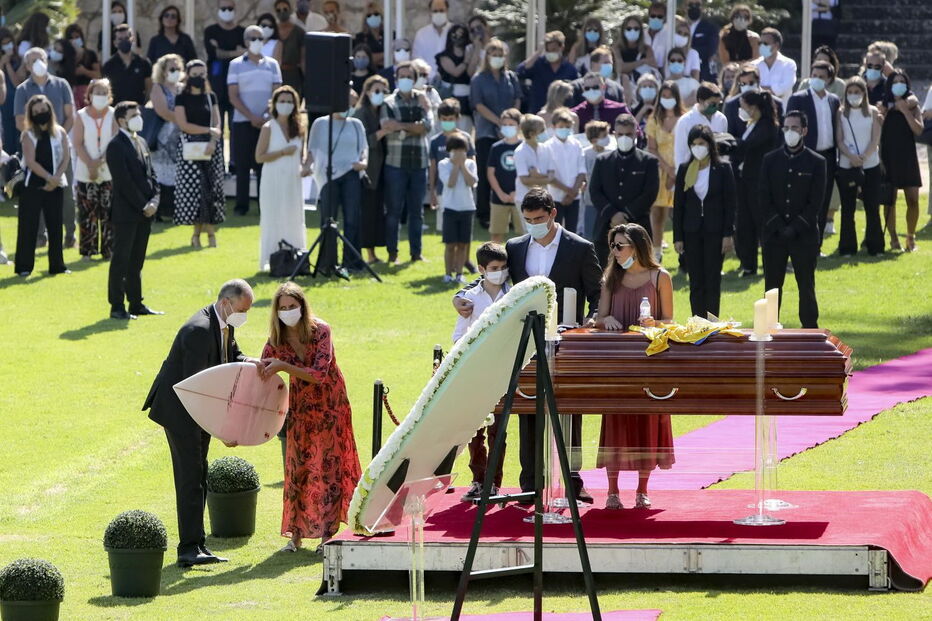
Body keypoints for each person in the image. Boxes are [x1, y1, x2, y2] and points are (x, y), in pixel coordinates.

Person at [143, 279, 264, 567]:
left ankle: (197, 544)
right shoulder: (198, 331)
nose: (243, 316)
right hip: (180, 411)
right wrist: (222, 430)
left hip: (196, 408)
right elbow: (197, 389)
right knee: (190, 479)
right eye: (242, 309)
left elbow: (230, 356)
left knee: (199, 475)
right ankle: (187, 548)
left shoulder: (224, 323)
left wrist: (254, 363)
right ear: (226, 303)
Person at [260, 282, 361, 553]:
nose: (288, 311)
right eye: (282, 308)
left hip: (331, 404)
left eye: (292, 307)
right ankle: (295, 536)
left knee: (328, 466)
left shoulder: (321, 331)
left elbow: (318, 374)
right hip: (302, 409)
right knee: (300, 466)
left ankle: (327, 534)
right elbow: (261, 369)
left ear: (302, 307)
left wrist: (284, 366)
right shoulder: (276, 339)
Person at [594, 223, 673, 509]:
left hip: (650, 360)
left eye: (620, 245)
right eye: (612, 246)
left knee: (647, 422)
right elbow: (598, 317)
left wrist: (654, 324)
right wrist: (605, 321)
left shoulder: (660, 276)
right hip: (618, 361)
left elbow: (670, 321)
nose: (614, 251)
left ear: (637, 246)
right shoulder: (611, 278)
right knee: (615, 421)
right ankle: (612, 491)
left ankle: (642, 490)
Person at [453, 242, 511, 500]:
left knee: (498, 429)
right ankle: (477, 478)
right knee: (474, 430)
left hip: (504, 370)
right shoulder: (471, 297)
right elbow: (458, 335)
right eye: (494, 268)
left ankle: (494, 482)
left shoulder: (513, 293)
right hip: (476, 370)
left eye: (503, 267)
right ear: (481, 269)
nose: (500, 272)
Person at [759, 111, 825, 328]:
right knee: (772, 286)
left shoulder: (817, 162)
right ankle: (769, 329)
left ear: (804, 130)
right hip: (774, 234)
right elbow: (763, 197)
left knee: (806, 284)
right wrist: (778, 225)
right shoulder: (770, 160)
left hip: (803, 235)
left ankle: (810, 332)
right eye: (786, 128)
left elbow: (815, 202)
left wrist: (796, 227)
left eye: (795, 128)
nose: (790, 132)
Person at [672, 124, 736, 319]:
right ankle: (697, 323)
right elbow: (678, 206)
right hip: (691, 232)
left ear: (710, 145)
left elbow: (730, 204)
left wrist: (728, 234)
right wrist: (678, 237)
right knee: (696, 282)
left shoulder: (723, 168)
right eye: (693, 144)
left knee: (712, 280)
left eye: (701, 143)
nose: (697, 147)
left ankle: (712, 323)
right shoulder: (684, 169)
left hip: (715, 232)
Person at [105, 100, 162, 320]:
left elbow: (152, 176)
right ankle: (117, 306)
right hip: (127, 213)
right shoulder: (115, 146)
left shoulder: (142, 142)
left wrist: (155, 200)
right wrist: (143, 205)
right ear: (121, 120)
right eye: (133, 115)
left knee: (136, 260)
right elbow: (124, 182)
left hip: (145, 212)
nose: (138, 118)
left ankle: (136, 303)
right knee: (121, 259)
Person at [14, 48, 76, 248]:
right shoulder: (22, 90)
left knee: (66, 194)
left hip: (60, 148)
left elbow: (70, 115)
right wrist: (38, 140)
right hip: (37, 150)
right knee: (37, 193)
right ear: (27, 66)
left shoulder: (61, 84)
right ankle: (41, 235)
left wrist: (59, 138)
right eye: (32, 60)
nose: (38, 62)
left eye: (40, 58)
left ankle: (70, 234)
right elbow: (19, 121)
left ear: (46, 60)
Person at [308, 89, 368, 271]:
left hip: (351, 173)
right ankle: (328, 262)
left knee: (352, 218)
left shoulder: (356, 124)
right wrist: (305, 168)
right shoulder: (320, 123)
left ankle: (352, 262)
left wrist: (363, 163)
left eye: (352, 103)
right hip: (328, 176)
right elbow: (312, 151)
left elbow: (364, 149)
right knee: (328, 219)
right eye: (346, 103)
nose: (348, 107)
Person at [589, 113, 660, 267]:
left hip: (638, 227)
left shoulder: (649, 161)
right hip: (605, 228)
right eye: (620, 134)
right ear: (614, 134)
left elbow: (650, 193)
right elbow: (594, 191)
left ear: (636, 134)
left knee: (639, 273)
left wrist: (626, 214)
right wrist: (612, 214)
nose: (624, 138)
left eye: (628, 134)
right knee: (605, 277)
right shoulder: (602, 160)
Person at [381, 61, 432, 264]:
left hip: (419, 163)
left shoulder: (423, 100)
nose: (405, 80)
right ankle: (392, 253)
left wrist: (401, 126)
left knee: (416, 212)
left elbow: (427, 126)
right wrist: (414, 126)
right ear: (396, 79)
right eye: (402, 76)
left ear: (415, 79)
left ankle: (416, 253)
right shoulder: (389, 102)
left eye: (409, 76)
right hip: (395, 164)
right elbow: (387, 125)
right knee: (393, 211)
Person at [228, 25, 283, 215]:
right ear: (245, 42)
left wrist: (266, 115)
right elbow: (233, 95)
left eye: (260, 38)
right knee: (243, 165)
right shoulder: (235, 64)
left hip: (267, 122)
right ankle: (241, 206)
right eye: (253, 38)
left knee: (263, 165)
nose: (257, 42)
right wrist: (252, 116)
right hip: (243, 121)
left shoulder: (272, 64)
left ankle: (264, 205)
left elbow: (277, 91)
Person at [15, 95, 70, 278]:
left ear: (50, 110)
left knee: (55, 226)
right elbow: (30, 161)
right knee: (28, 226)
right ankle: (24, 266)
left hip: (56, 184)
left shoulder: (60, 131)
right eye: (36, 112)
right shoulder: (27, 134)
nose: (41, 114)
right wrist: (48, 177)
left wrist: (56, 178)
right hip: (33, 186)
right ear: (31, 114)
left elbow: (66, 157)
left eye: (43, 110)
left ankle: (57, 265)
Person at [470, 38, 522, 229]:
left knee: (509, 173)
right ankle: (485, 214)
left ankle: (510, 214)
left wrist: (512, 120)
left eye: (501, 55)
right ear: (487, 56)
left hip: (510, 132)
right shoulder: (478, 79)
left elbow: (517, 99)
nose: (498, 58)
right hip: (486, 132)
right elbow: (478, 104)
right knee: (487, 174)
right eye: (494, 55)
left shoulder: (511, 77)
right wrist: (500, 122)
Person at [787, 61, 840, 244]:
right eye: (814, 75)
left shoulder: (833, 99)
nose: (816, 79)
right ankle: (799, 240)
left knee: (823, 199)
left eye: (821, 77)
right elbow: (789, 128)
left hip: (828, 156)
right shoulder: (799, 98)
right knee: (802, 199)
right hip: (806, 155)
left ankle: (816, 245)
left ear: (829, 79)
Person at [174, 59, 225, 248]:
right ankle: (197, 235)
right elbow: (183, 125)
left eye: (202, 74)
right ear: (188, 76)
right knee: (195, 192)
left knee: (211, 191)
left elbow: (217, 123)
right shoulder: (182, 97)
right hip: (191, 149)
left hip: (211, 148)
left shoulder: (211, 96)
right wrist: (207, 131)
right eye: (195, 75)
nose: (199, 78)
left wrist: (212, 139)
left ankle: (210, 235)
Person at [256, 85, 308, 272]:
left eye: (289, 101)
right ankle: (272, 260)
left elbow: (302, 155)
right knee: (273, 217)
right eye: (282, 101)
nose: (285, 105)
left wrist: (306, 166)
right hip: (273, 177)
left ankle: (296, 258)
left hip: (293, 179)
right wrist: (282, 152)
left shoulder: (300, 127)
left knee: (293, 215)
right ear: (275, 104)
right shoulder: (268, 127)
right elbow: (259, 156)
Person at [732, 89, 781, 277]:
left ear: (753, 107)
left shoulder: (768, 126)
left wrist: (732, 142)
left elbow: (750, 146)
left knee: (761, 223)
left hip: (758, 183)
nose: (742, 110)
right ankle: (748, 264)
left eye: (744, 106)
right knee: (745, 224)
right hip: (745, 181)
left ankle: (770, 263)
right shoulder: (751, 125)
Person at [835, 77, 884, 257]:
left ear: (864, 94)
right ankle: (847, 247)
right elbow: (840, 140)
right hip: (847, 165)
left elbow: (875, 139)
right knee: (848, 208)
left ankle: (875, 246)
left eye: (857, 92)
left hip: (870, 164)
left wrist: (864, 156)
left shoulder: (872, 112)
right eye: (850, 92)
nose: (853, 96)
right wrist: (852, 157)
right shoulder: (841, 113)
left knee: (872, 206)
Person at [73, 79, 118, 261]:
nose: (100, 96)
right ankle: (88, 250)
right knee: (87, 213)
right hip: (85, 170)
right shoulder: (81, 115)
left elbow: (115, 142)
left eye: (103, 92)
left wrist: (99, 163)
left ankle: (109, 250)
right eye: (96, 92)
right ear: (90, 95)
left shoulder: (114, 115)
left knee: (108, 213)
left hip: (108, 170)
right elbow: (77, 143)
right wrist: (90, 165)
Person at [879, 70, 923, 253]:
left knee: (913, 199)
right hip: (889, 156)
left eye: (902, 81)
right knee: (890, 201)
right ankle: (893, 237)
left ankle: (910, 237)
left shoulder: (913, 105)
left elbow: (918, 130)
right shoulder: (882, 106)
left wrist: (905, 110)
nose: (898, 84)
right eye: (895, 81)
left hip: (908, 156)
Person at [645, 81, 684, 261]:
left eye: (670, 96)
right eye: (664, 96)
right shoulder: (654, 119)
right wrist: (668, 169)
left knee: (681, 213)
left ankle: (685, 253)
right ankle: (657, 252)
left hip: (682, 169)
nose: (667, 99)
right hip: (660, 170)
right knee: (658, 213)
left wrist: (676, 171)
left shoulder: (685, 117)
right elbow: (652, 148)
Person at [354, 75, 390, 264]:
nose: (380, 94)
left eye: (384, 91)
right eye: (376, 90)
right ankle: (366, 254)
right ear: (367, 92)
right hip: (368, 171)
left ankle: (374, 253)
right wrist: (382, 132)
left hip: (383, 170)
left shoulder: (385, 111)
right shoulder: (361, 113)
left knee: (377, 213)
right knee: (366, 213)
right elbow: (361, 142)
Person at [149, 54, 185, 222]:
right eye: (172, 69)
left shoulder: (183, 88)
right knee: (160, 174)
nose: (175, 72)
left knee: (178, 174)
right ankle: (159, 211)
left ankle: (175, 211)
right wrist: (185, 121)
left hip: (182, 137)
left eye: (178, 68)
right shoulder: (158, 88)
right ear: (163, 71)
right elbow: (162, 111)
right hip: (163, 137)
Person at [438, 134, 478, 282]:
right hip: (450, 208)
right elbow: (450, 183)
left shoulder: (471, 164)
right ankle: (448, 274)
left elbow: (472, 182)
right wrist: (456, 165)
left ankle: (459, 274)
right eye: (456, 150)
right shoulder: (443, 164)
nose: (460, 154)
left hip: (467, 208)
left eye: (462, 150)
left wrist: (463, 165)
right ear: (450, 150)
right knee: (450, 244)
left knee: (462, 244)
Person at [204, 0, 245, 141]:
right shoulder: (210, 31)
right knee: (217, 128)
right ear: (218, 9)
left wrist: (224, 51)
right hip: (217, 86)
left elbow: (245, 53)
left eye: (230, 8)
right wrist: (236, 52)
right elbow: (215, 53)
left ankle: (234, 162)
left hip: (237, 87)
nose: (227, 11)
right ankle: (218, 161)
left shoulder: (242, 32)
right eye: (223, 8)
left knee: (235, 129)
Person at [429, 98, 475, 216]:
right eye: (444, 119)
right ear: (439, 119)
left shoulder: (466, 138)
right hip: (442, 190)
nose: (447, 122)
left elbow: (472, 163)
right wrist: (432, 192)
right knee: (445, 227)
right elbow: (433, 169)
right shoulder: (435, 141)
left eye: (451, 119)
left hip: (463, 190)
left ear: (457, 118)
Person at [517, 31, 578, 116]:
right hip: (537, 113)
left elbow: (575, 93)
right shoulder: (538, 64)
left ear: (562, 47)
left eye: (554, 50)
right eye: (548, 50)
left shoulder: (570, 69)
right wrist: (538, 52)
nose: (551, 53)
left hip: (561, 116)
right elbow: (520, 72)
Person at [545, 107, 587, 234]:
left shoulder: (576, 144)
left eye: (567, 126)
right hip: (555, 196)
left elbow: (581, 171)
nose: (565, 129)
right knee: (553, 230)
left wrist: (573, 192)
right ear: (553, 126)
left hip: (575, 196)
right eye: (561, 126)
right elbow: (549, 175)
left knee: (571, 231)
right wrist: (568, 191)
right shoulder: (547, 146)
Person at [487, 108, 523, 243]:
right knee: (496, 235)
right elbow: (491, 173)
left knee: (523, 235)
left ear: (519, 126)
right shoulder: (496, 147)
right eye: (505, 124)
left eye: (511, 124)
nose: (508, 127)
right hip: (498, 198)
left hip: (520, 197)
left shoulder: (524, 147)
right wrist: (500, 193)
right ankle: (496, 263)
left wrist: (517, 192)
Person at [673, 82, 726, 169]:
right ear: (701, 100)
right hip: (692, 172)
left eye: (719, 104)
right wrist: (681, 176)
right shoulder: (685, 121)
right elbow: (680, 153)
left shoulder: (721, 119)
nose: (716, 107)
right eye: (712, 104)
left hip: (715, 171)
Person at [436, 23, 473, 132]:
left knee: (465, 130)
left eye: (461, 35)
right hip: (449, 95)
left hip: (466, 98)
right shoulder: (444, 56)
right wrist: (466, 61)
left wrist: (476, 47)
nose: (458, 38)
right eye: (454, 35)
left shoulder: (469, 52)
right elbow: (455, 72)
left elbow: (471, 71)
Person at [103, 25, 152, 106]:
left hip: (139, 110)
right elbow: (106, 91)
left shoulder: (144, 63)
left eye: (126, 38)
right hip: (116, 111)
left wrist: (145, 106)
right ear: (115, 43)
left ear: (132, 39)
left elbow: (149, 88)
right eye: (120, 39)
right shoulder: (108, 66)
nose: (124, 41)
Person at [513, 114, 553, 211]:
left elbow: (552, 174)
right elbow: (525, 180)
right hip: (525, 200)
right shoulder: (520, 152)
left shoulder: (546, 148)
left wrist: (537, 176)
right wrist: (545, 178)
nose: (545, 132)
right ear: (531, 134)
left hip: (545, 199)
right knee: (531, 226)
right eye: (542, 130)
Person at [580, 120, 610, 241]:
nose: (607, 138)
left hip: (608, 200)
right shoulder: (585, 154)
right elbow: (582, 174)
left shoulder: (610, 153)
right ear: (593, 140)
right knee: (590, 234)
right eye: (604, 136)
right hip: (590, 200)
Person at [752, 28, 796, 106]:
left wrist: (760, 90)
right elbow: (750, 89)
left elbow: (784, 88)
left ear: (777, 45)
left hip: (782, 112)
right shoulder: (753, 65)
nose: (761, 46)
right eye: (760, 43)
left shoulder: (789, 64)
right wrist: (772, 90)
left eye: (765, 43)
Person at [63, 24, 101, 108]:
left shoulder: (91, 54)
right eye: (71, 38)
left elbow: (98, 75)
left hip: (87, 93)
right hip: (70, 93)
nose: (74, 40)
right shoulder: (64, 57)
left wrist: (85, 71)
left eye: (77, 37)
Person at [274, 0, 306, 98]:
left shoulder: (299, 32)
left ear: (290, 10)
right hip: (275, 73)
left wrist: (306, 78)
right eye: (278, 10)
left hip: (293, 74)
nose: (282, 12)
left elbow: (303, 58)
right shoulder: (272, 31)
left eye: (285, 9)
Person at [0, 28, 25, 150]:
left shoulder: (20, 59)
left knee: (19, 140)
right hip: (3, 106)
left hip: (18, 104)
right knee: (7, 140)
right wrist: (2, 63)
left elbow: (17, 83)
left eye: (9, 42)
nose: (7, 46)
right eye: (4, 43)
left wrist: (8, 64)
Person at [412, 0, 451, 77]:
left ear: (447, 11)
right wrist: (432, 76)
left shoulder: (454, 31)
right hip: (428, 80)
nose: (438, 13)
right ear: (430, 12)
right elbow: (417, 59)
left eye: (441, 10)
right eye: (435, 11)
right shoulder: (421, 34)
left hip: (451, 81)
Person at [614, 15, 657, 83]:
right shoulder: (617, 48)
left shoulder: (647, 49)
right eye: (629, 29)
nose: (632, 31)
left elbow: (653, 68)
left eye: (636, 29)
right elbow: (620, 68)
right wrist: (642, 61)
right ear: (623, 31)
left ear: (641, 31)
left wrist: (628, 68)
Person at [684, 0, 719, 82]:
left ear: (702, 7)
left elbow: (711, 50)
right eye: (691, 4)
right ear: (685, 7)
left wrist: (688, 50)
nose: (694, 7)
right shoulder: (679, 26)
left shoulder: (710, 27)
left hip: (703, 72)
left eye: (697, 4)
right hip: (681, 70)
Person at [354, 3, 386, 69]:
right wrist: (385, 55)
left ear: (381, 16)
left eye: (376, 14)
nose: (373, 17)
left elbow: (396, 57)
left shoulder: (390, 35)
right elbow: (364, 59)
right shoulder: (360, 38)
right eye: (369, 15)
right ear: (365, 19)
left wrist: (375, 57)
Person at [671, 17, 701, 81]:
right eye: (679, 32)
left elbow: (695, 79)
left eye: (685, 34)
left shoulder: (693, 54)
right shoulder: (668, 50)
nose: (682, 36)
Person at [644, 1, 670, 73]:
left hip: (662, 73)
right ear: (649, 16)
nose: (656, 18)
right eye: (653, 16)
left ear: (664, 18)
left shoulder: (669, 35)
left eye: (659, 16)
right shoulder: (642, 35)